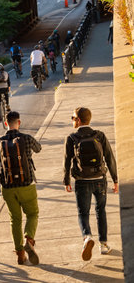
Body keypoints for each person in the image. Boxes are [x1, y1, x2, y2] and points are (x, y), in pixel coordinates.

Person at [63, 107, 118, 261]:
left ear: (79, 120)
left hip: (82, 181)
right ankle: (104, 245)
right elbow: (109, 157)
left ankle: (87, 236)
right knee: (101, 210)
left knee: (83, 212)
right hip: (100, 179)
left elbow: (67, 161)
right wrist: (115, 179)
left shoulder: (72, 138)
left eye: (73, 118)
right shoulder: (99, 135)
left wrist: (66, 180)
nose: (72, 120)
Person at [0, 111, 42, 265]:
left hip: (8, 187)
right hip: (27, 185)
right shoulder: (26, 138)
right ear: (19, 122)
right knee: (32, 214)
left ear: (6, 123)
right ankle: (29, 239)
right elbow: (38, 148)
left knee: (15, 219)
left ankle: (20, 254)